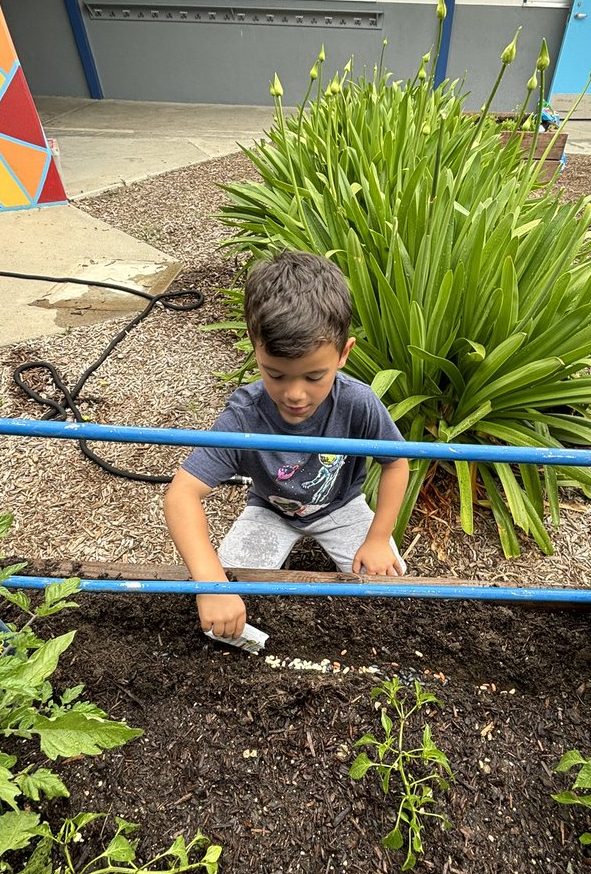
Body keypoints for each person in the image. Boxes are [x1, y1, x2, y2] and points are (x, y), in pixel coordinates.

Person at [164, 250, 410, 640]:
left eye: (314, 376)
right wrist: (211, 585)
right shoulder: (245, 414)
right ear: (255, 346)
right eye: (275, 374)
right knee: (218, 620)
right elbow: (181, 495)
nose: (295, 394)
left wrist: (378, 538)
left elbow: (397, 463)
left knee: (395, 599)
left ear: (344, 353)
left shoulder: (358, 403)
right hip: (271, 511)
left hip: (343, 507)